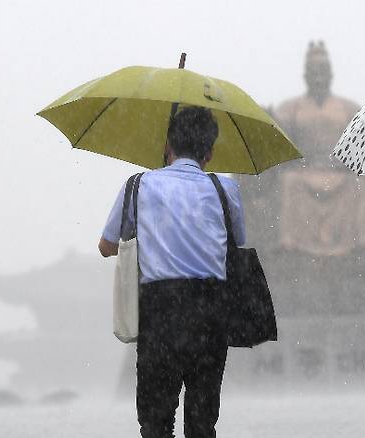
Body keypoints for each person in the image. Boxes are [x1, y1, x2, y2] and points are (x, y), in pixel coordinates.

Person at [98, 106, 245, 438]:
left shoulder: (138, 186)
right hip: (212, 313)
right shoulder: (225, 190)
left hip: (160, 312)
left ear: (167, 144)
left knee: (155, 422)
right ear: (209, 152)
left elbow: (106, 246)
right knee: (202, 423)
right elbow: (237, 245)